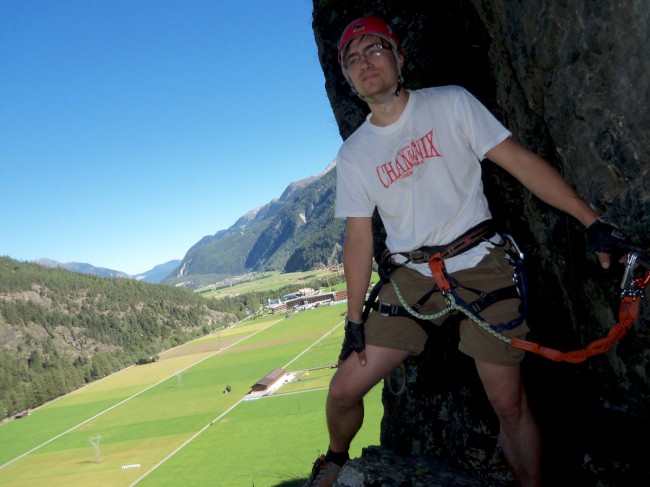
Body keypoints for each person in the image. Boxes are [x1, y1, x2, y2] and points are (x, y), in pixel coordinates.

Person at [305, 15, 630, 487]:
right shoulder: (356, 154)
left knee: (507, 402)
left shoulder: (450, 104)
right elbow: (358, 238)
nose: (364, 63)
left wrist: (591, 220)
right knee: (342, 390)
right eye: (352, 60)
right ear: (349, 80)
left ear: (399, 58)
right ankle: (336, 457)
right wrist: (354, 320)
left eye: (374, 50)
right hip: (412, 278)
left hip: (480, 263)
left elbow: (518, 160)